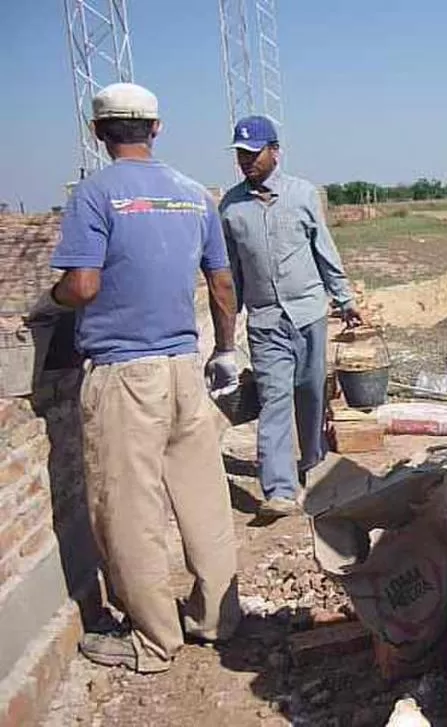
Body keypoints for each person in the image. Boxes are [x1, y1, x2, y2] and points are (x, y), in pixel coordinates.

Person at [32, 83, 242, 673]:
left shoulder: (94, 195)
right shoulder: (193, 195)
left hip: (125, 375)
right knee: (203, 498)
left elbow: (83, 286)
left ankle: (153, 640)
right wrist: (223, 352)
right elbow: (222, 286)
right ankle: (217, 618)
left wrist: (52, 298)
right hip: (184, 371)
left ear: (99, 133)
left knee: (130, 512)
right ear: (157, 129)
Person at [219, 116, 361, 518]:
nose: (245, 160)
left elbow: (324, 251)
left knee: (311, 393)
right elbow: (231, 273)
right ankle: (280, 490)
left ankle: (312, 461)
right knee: (274, 400)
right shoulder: (231, 208)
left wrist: (344, 298)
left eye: (253, 153)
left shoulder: (302, 195)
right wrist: (227, 338)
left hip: (308, 312)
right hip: (265, 321)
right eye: (240, 154)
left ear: (275, 152)